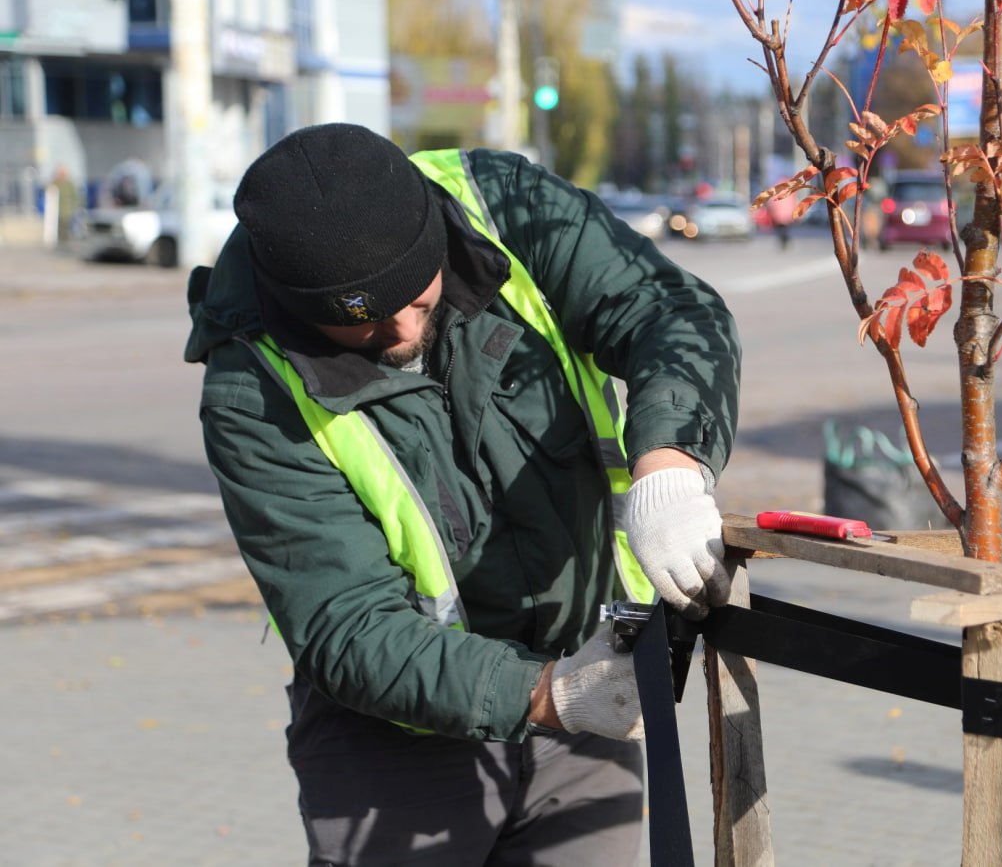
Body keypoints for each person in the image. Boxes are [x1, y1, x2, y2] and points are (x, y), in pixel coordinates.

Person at [183, 122, 741, 865]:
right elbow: (346, 624)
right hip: (395, 745)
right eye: (368, 324)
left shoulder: (502, 205)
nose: (405, 327)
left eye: (416, 297)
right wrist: (549, 694)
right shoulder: (250, 388)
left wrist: (668, 464)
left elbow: (669, 312)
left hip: (587, 694)